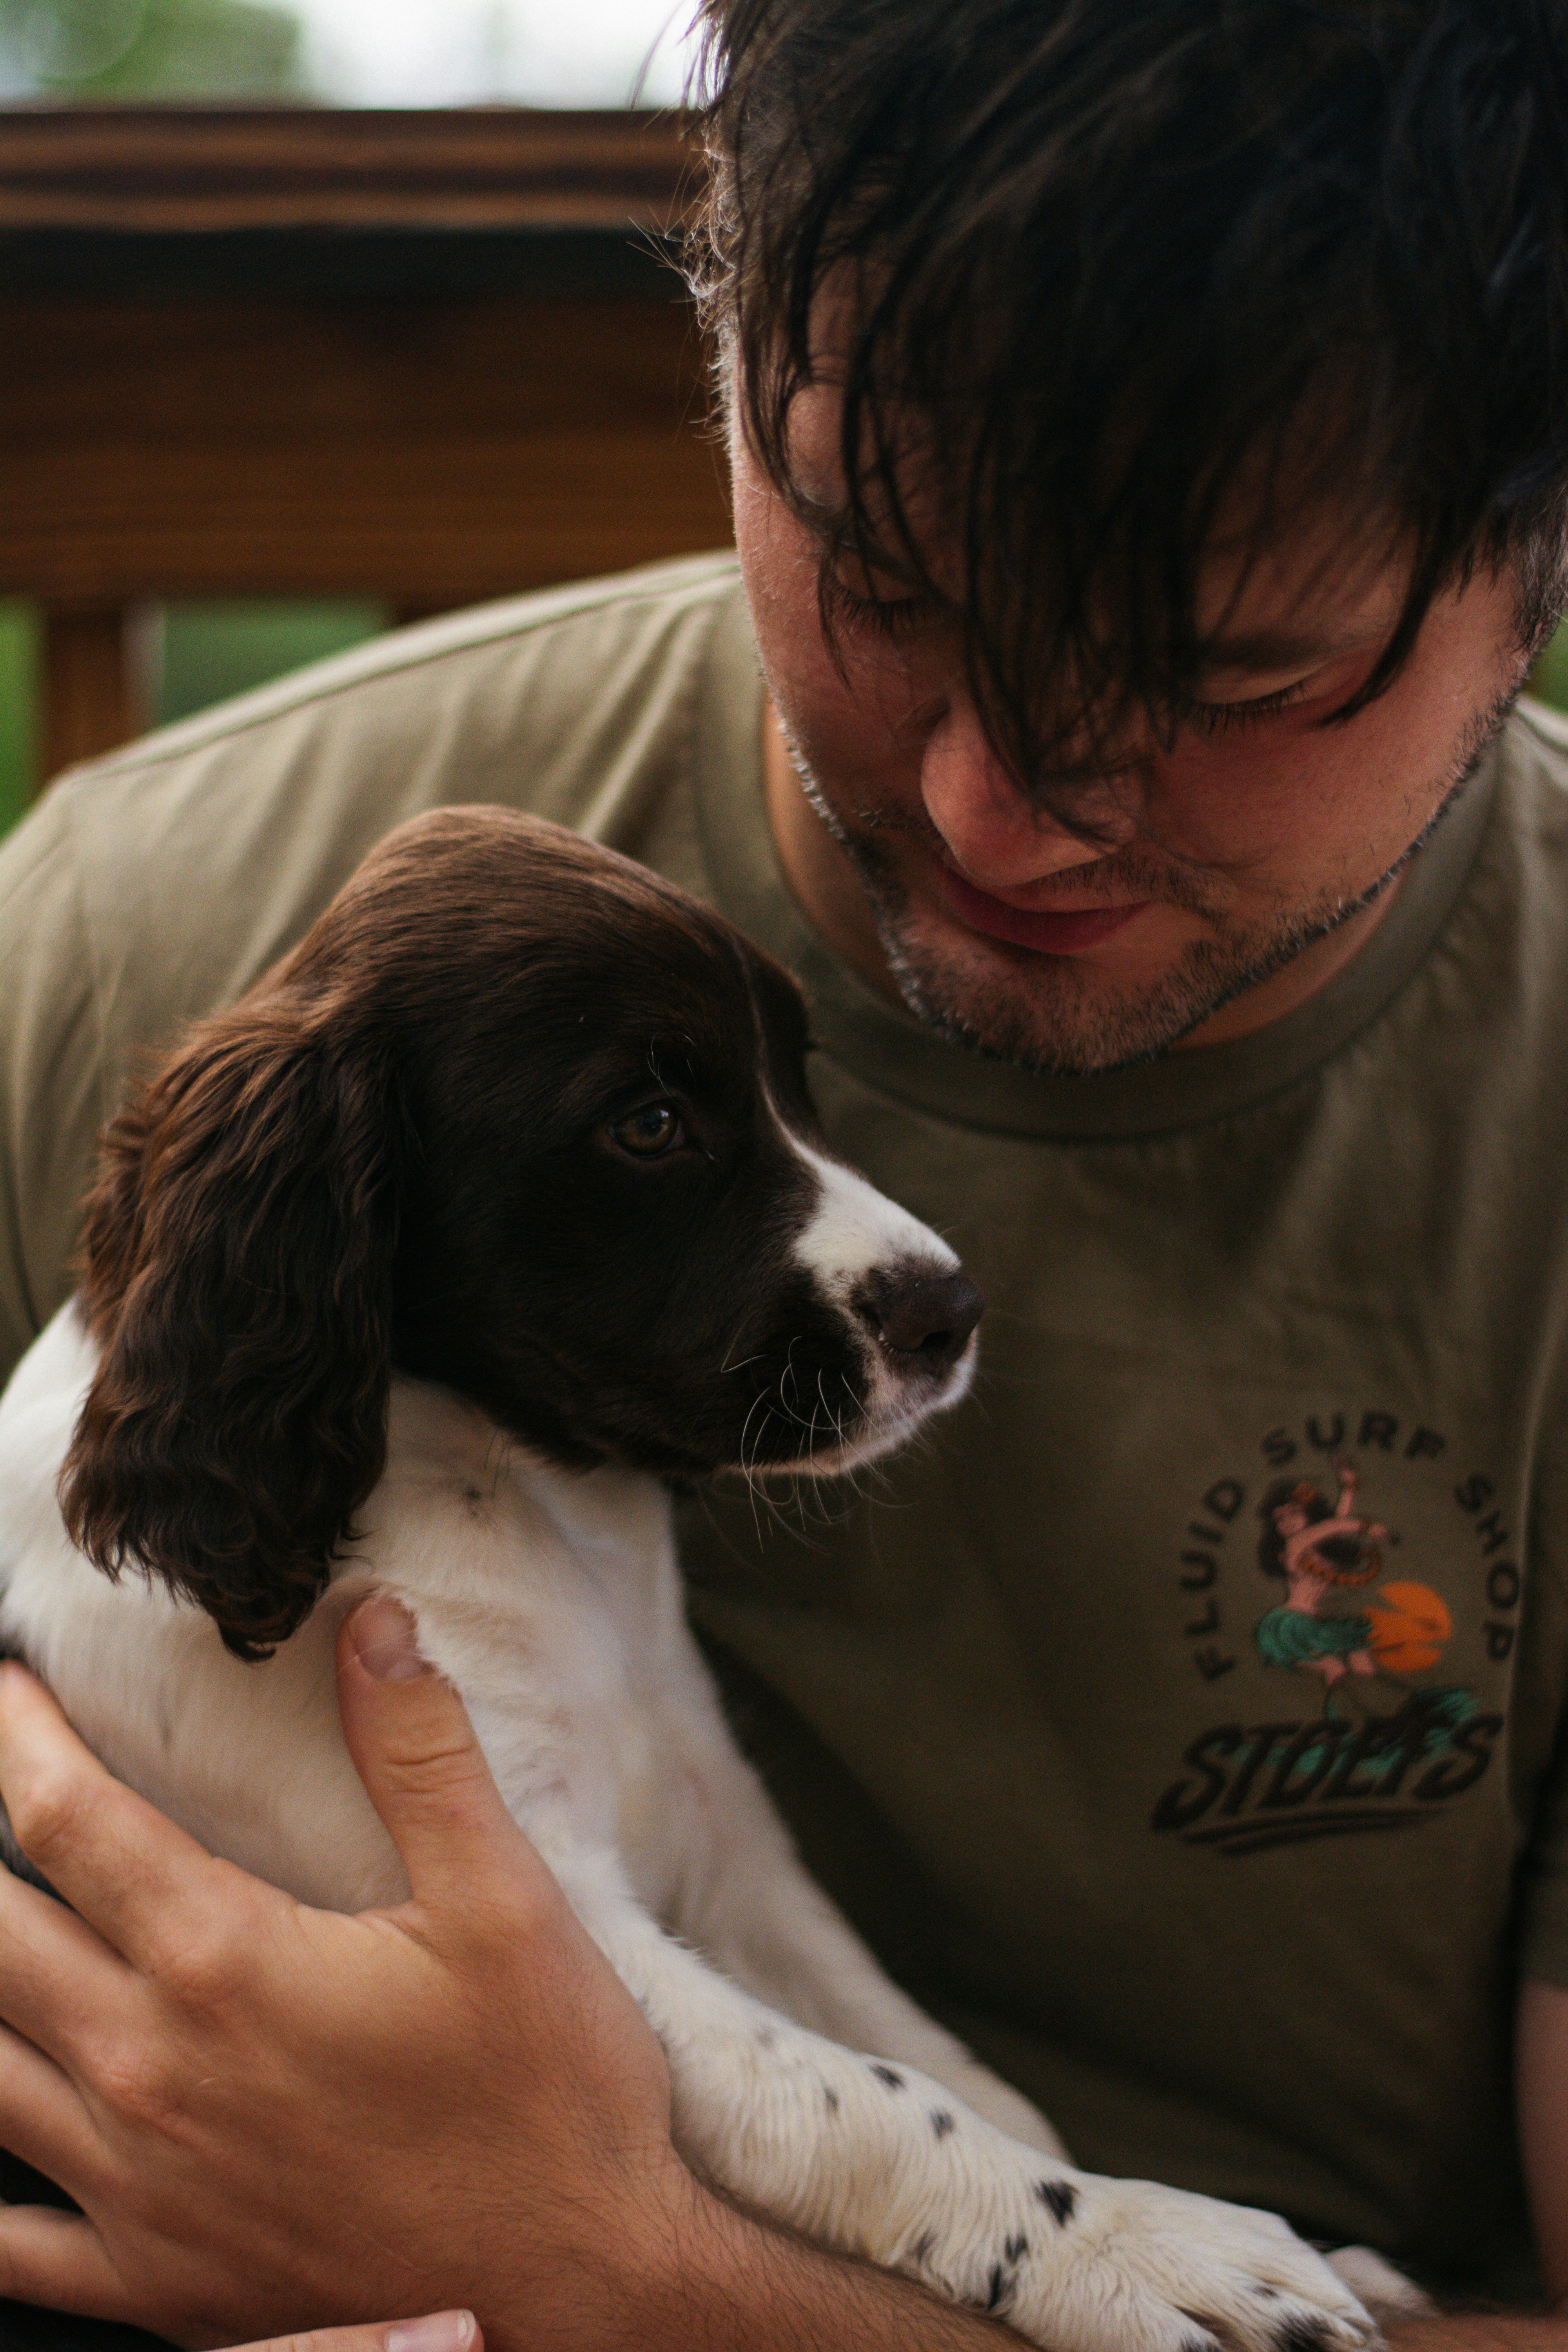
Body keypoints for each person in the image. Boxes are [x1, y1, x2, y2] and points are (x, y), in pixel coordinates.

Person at [0, 0, 1566, 2342]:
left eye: (1223, 672)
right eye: (893, 585)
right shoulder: (127, 937)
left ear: (1537, 554)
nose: (995, 811)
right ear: (725, 345)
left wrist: (613, 2272)